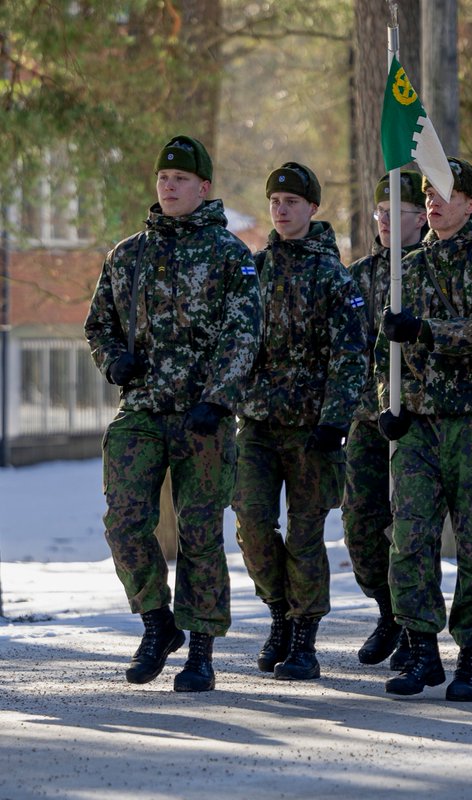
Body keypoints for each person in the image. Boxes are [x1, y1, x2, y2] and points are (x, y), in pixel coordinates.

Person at [84, 135, 263, 692]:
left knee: (200, 530)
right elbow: (99, 324)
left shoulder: (229, 253)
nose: (169, 185)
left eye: (181, 179)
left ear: (203, 188)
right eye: (163, 177)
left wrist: (218, 397)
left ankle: (201, 648)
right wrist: (114, 360)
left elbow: (244, 333)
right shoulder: (128, 254)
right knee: (123, 521)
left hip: (202, 416)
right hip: (140, 409)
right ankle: (157, 622)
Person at [376, 157, 472, 702]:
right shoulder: (407, 267)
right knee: (409, 538)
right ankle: (420, 650)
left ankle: (469, 657)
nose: (432, 201)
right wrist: (386, 403)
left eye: (445, 193)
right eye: (427, 193)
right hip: (417, 423)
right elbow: (382, 352)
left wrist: (425, 330)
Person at [234, 162, 368, 681]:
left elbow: (352, 354)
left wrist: (335, 419)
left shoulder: (333, 276)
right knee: (251, 524)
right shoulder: (256, 269)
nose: (281, 209)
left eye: (291, 201)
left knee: (306, 532)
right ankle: (279, 614)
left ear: (313, 208)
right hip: (259, 426)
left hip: (314, 431)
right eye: (274, 201)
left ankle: (304, 636)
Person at [344, 171, 427, 670]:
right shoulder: (357, 276)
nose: (385, 221)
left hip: (419, 417)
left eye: (397, 213)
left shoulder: (432, 270)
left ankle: (414, 624)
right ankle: (386, 610)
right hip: (366, 417)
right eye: (380, 212)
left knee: (410, 525)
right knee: (360, 523)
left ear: (420, 218)